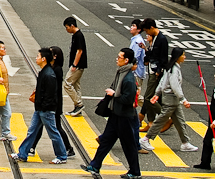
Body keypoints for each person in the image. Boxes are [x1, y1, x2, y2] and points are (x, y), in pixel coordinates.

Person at [81, 48, 142, 179]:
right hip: (116, 114)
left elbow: (128, 99)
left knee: (129, 145)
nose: (117, 58)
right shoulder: (121, 72)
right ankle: (94, 165)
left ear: (126, 60)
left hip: (125, 116)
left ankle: (135, 172)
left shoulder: (129, 79)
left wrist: (113, 94)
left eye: (119, 57)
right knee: (106, 140)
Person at [11, 47, 67, 164]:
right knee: (32, 131)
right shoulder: (44, 72)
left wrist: (44, 107)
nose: (36, 58)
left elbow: (51, 95)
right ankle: (22, 154)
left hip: (46, 110)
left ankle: (62, 156)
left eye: (38, 56)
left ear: (44, 59)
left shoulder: (49, 74)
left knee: (53, 132)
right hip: (40, 108)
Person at [139, 48, 198, 153]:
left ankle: (185, 143)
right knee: (161, 120)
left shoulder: (171, 68)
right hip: (171, 99)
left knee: (180, 121)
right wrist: (183, 99)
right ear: (178, 57)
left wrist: (157, 94)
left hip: (173, 100)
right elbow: (175, 86)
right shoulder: (174, 70)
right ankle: (145, 139)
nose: (184, 57)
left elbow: (163, 81)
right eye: (183, 55)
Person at [27, 46, 75, 158]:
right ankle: (32, 147)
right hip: (49, 104)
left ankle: (68, 148)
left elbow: (53, 89)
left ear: (54, 56)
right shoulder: (50, 68)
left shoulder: (55, 70)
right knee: (41, 127)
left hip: (53, 104)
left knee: (55, 128)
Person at [139, 18, 169, 132]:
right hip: (152, 70)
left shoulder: (162, 39)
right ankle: (151, 123)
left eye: (147, 31)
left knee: (148, 98)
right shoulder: (155, 38)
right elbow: (153, 54)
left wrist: (159, 71)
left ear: (152, 28)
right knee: (152, 98)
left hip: (156, 72)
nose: (146, 33)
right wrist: (146, 48)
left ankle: (165, 118)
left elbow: (163, 58)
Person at [63, 17, 87, 117]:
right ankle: (78, 108)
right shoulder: (75, 35)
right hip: (78, 65)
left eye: (67, 27)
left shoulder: (78, 36)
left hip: (78, 65)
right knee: (76, 85)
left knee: (67, 84)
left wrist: (74, 65)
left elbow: (79, 51)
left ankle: (79, 104)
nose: (66, 29)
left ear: (72, 26)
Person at [129, 19, 146, 103]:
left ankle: (153, 109)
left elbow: (135, 57)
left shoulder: (137, 41)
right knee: (134, 95)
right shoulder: (135, 40)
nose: (131, 27)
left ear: (139, 30)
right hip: (136, 72)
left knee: (135, 95)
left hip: (136, 72)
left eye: (133, 26)